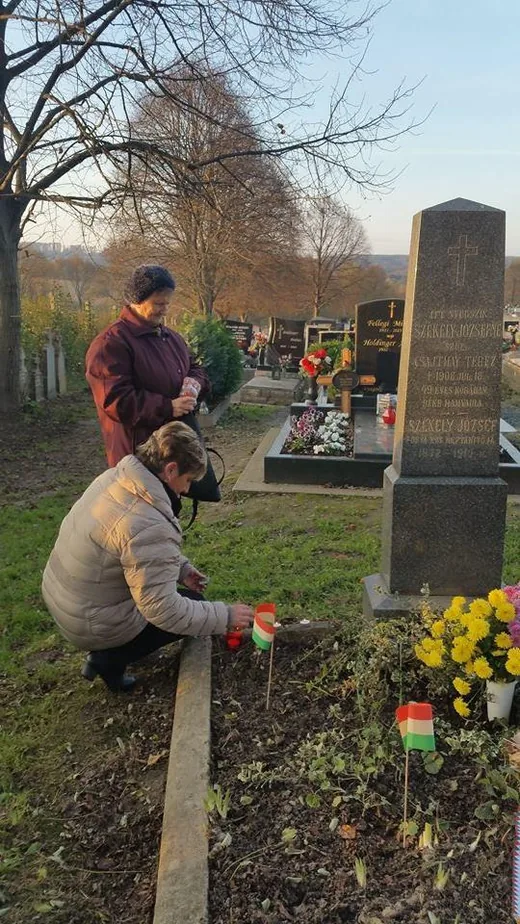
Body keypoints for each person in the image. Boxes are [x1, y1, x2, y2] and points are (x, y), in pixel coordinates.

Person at [41, 422, 253, 692]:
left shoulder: (116, 479)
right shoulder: (147, 521)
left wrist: (181, 568)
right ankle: (109, 658)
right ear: (171, 469)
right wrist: (225, 615)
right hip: (90, 622)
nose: (186, 491)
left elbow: (128, 549)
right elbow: (164, 611)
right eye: (187, 480)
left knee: (189, 603)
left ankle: (113, 649)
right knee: (193, 605)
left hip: (66, 599)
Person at [86, 264, 209, 467]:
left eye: (167, 304)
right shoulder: (111, 343)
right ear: (137, 300)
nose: (164, 310)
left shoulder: (171, 337)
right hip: (138, 453)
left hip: (172, 449)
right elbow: (116, 401)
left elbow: (194, 367)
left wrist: (194, 384)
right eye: (158, 303)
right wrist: (167, 407)